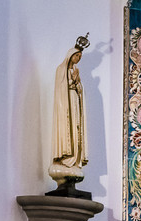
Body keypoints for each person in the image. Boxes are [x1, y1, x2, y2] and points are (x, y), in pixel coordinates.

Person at [50, 35, 90, 186]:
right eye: (76, 55)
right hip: (65, 105)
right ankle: (64, 156)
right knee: (66, 130)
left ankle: (74, 159)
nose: (78, 58)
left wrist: (78, 82)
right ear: (70, 55)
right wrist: (72, 80)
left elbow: (79, 90)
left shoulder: (76, 71)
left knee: (76, 129)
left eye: (80, 57)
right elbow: (61, 88)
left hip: (75, 103)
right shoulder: (61, 70)